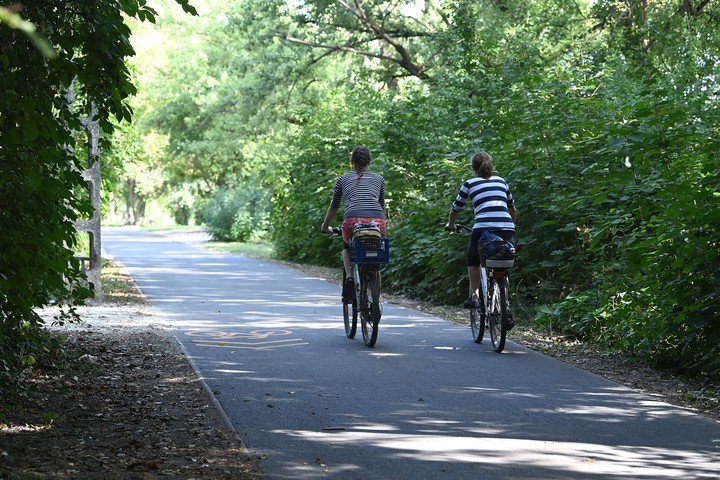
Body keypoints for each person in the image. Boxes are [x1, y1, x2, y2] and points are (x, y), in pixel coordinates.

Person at [445, 151, 517, 311]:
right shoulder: (502, 181)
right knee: (503, 262)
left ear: (473, 167)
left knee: (473, 260)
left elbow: (455, 209)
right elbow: (513, 209)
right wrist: (511, 227)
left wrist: (451, 225)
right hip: (507, 228)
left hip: (483, 229)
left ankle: (475, 296)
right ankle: (506, 305)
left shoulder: (470, 184)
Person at [321, 146, 387, 300]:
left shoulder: (343, 179)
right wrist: (382, 225)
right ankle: (374, 277)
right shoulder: (379, 179)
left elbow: (335, 206)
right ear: (369, 161)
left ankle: (350, 276)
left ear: (351, 162)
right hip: (378, 221)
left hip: (352, 221)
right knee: (376, 247)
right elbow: (381, 205)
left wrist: (325, 226)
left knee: (347, 246)